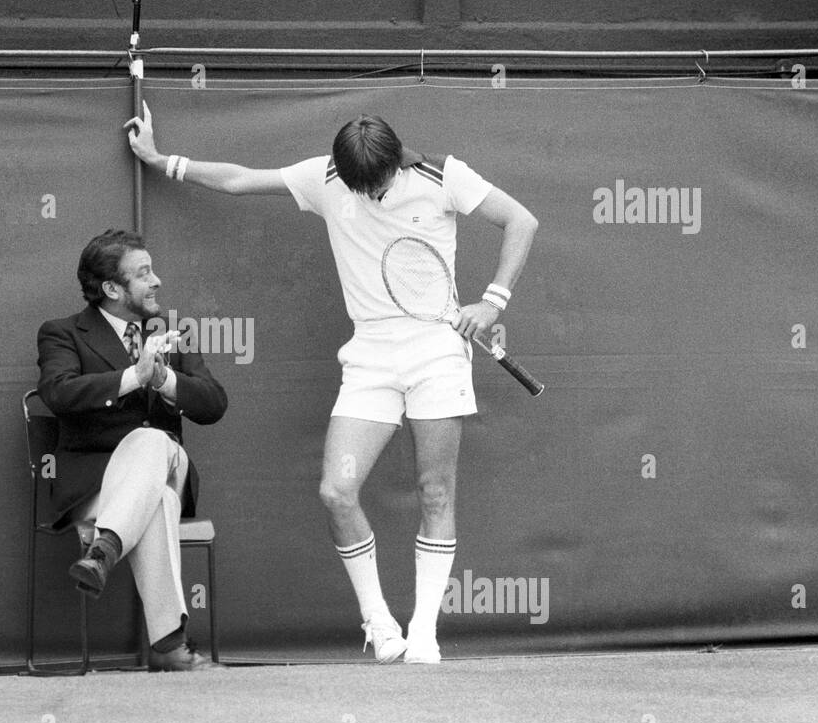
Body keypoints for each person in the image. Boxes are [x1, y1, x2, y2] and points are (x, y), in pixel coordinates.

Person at [124, 105, 538, 664]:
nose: (368, 192)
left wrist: (492, 302)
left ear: (395, 160)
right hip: (369, 355)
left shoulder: (445, 176)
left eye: (378, 182)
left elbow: (521, 221)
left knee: (436, 491)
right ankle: (378, 622)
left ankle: (423, 632)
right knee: (336, 491)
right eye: (357, 185)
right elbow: (240, 180)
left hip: (437, 354)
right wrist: (162, 159)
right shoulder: (324, 177)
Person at [37, 229, 228, 671]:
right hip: (97, 486)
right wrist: (134, 377)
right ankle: (169, 647)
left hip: (169, 469)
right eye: (143, 273)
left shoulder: (172, 333)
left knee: (153, 440)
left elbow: (214, 405)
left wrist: (164, 381)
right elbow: (59, 393)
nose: (157, 280)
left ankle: (105, 548)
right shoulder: (63, 334)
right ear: (111, 289)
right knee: (155, 498)